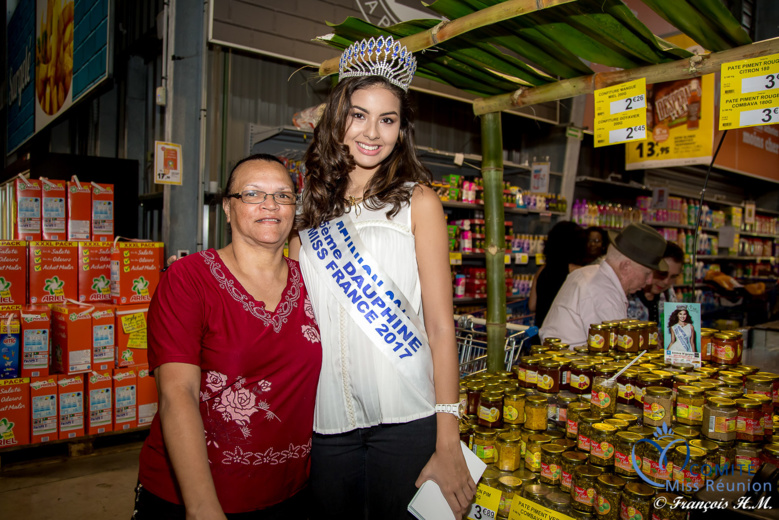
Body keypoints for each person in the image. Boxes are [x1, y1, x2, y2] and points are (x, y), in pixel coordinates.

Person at [289, 36, 476, 519]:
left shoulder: (419, 203)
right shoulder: (308, 212)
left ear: (401, 129)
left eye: (387, 119)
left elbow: (439, 327)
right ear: (337, 121)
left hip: (409, 420)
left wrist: (448, 438)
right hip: (327, 426)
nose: (373, 132)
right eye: (358, 115)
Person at [134, 154, 322, 519]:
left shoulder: (314, 283)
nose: (270, 205)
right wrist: (202, 506)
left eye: (283, 195)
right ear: (226, 208)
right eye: (253, 194)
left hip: (291, 492)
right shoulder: (189, 279)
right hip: (195, 496)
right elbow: (177, 392)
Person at [539, 222, 668, 346]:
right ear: (626, 267)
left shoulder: (590, 273)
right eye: (647, 274)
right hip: (571, 365)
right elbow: (615, 353)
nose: (649, 281)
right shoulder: (603, 292)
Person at [529, 221, 587, 329]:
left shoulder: (542, 270)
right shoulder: (578, 272)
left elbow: (532, 305)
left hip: (540, 335)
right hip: (563, 337)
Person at [627, 242, 684, 324]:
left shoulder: (668, 294)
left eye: (673, 277)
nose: (666, 282)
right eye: (662, 274)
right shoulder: (629, 294)